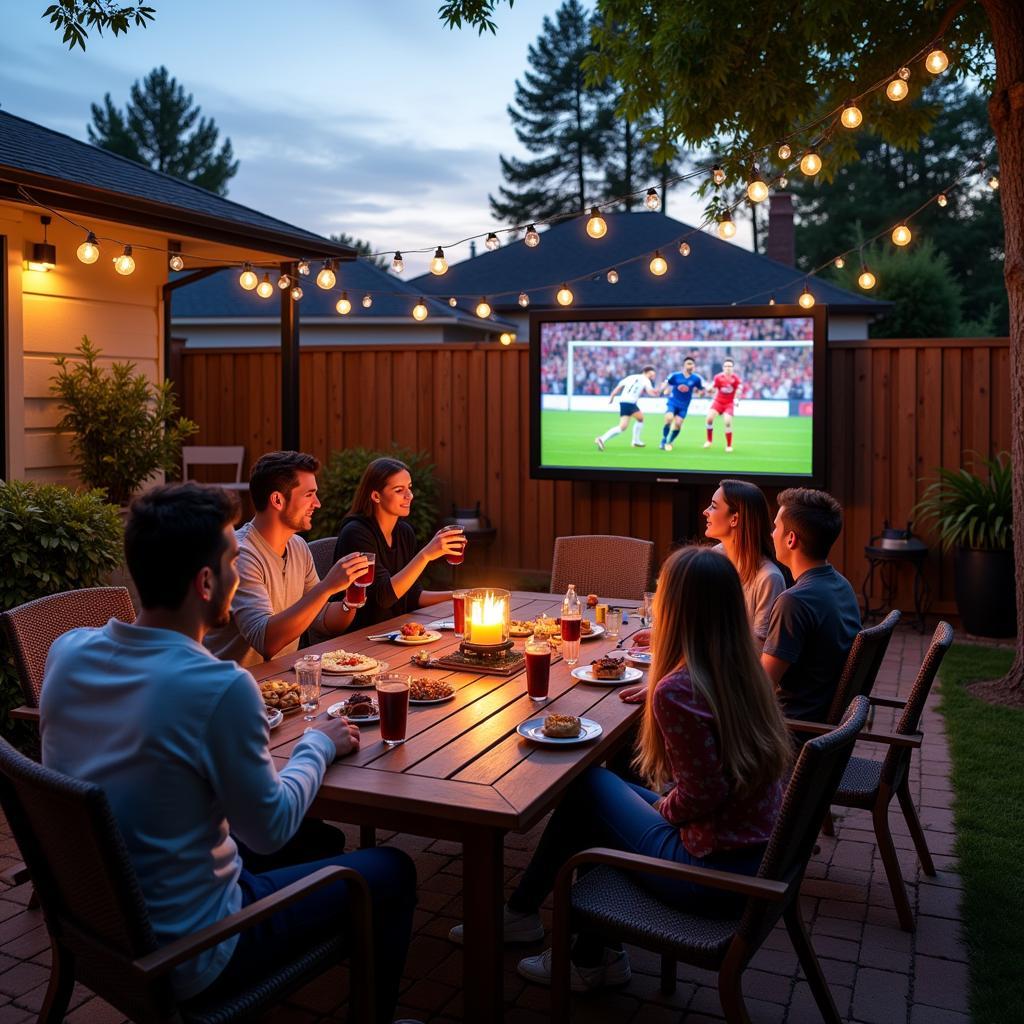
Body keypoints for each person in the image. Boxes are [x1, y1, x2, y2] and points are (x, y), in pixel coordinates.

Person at [40, 484, 418, 1023]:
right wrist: (317, 744)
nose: (240, 574)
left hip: (101, 920)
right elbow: (270, 828)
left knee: (322, 841)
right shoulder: (218, 687)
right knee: (391, 869)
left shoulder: (67, 651)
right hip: (195, 950)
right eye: (232, 562)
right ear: (206, 582)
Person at [449, 546, 792, 992]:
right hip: (751, 854)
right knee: (597, 791)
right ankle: (565, 937)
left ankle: (567, 944)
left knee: (589, 787)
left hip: (708, 875)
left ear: (674, 607)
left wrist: (660, 810)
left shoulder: (679, 690)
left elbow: (700, 797)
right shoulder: (741, 669)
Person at [205, 451, 369, 669]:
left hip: (282, 681)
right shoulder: (241, 553)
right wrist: (328, 586)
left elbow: (325, 620)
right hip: (235, 685)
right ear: (277, 500)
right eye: (309, 494)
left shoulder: (298, 546)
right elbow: (266, 641)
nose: (317, 503)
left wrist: (350, 601)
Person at [762, 487, 862, 722]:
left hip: (790, 735)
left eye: (776, 526)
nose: (771, 533)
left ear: (791, 539)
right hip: (823, 736)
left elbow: (761, 686)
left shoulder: (794, 602)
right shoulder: (841, 586)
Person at [331, 457, 464, 630]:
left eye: (409, 488)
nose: (409, 495)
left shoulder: (404, 532)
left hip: (396, 631)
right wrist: (425, 555)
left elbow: (413, 595)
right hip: (361, 636)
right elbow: (382, 598)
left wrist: (461, 595)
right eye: (399, 490)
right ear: (376, 496)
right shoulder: (356, 533)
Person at [703, 479, 786, 642]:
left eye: (713, 506)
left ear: (734, 519)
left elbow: (759, 649)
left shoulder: (768, 578)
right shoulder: (715, 557)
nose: (705, 511)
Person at [594, 364, 660, 450]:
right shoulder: (646, 380)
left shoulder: (631, 377)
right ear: (646, 372)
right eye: (652, 374)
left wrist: (612, 396)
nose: (652, 376)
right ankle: (635, 441)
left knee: (622, 427)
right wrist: (656, 393)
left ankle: (602, 439)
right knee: (640, 418)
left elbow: (619, 387)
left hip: (623, 402)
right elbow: (650, 392)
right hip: (630, 402)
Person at [659, 356, 705, 452]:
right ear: (683, 365)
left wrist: (701, 394)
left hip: (684, 406)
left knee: (678, 424)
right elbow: (666, 383)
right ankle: (664, 441)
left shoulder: (696, 378)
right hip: (673, 402)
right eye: (689, 363)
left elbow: (700, 390)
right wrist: (663, 389)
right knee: (669, 419)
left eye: (692, 364)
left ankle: (670, 441)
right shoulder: (675, 376)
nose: (691, 365)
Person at [704, 357, 742, 452]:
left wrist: (736, 399)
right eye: (726, 366)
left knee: (727, 422)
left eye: (730, 366)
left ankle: (729, 445)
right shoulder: (718, 377)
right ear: (723, 367)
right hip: (718, 402)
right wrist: (709, 389)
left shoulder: (736, 379)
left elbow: (739, 390)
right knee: (709, 419)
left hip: (729, 403)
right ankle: (709, 441)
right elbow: (713, 388)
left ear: (733, 367)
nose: (728, 368)